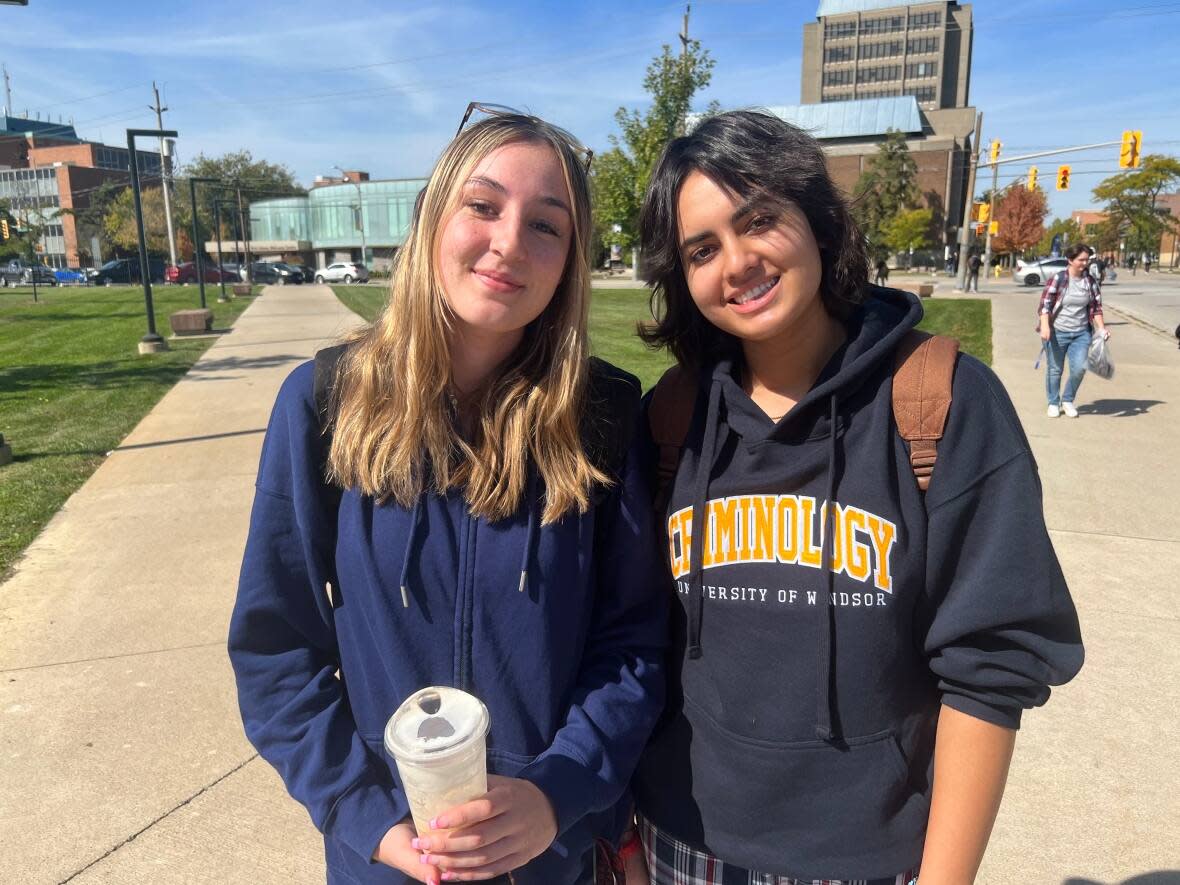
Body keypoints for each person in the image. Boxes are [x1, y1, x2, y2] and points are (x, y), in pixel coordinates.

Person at [626, 110, 1083, 885]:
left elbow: (991, 666)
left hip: (868, 862)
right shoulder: (675, 417)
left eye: (759, 220)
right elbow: (633, 643)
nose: (736, 263)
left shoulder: (942, 404)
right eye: (703, 249)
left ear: (816, 218)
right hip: (683, 844)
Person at [228, 108, 667, 885]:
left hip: (549, 857)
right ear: (434, 218)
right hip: (392, 861)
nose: (508, 243)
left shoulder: (604, 415)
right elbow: (276, 648)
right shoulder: (326, 402)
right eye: (484, 205)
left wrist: (555, 793)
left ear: (569, 261)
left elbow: (632, 646)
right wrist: (368, 818)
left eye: (546, 226)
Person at [1039, 243, 1109, 418]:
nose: (1085, 263)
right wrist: (1046, 326)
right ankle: (1053, 402)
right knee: (1055, 369)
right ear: (1070, 260)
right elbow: (1044, 306)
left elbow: (1096, 308)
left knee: (1079, 368)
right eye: (1081, 260)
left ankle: (1068, 400)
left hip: (1081, 333)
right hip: (1057, 332)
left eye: (1087, 259)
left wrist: (1101, 328)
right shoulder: (1059, 279)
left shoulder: (1090, 281)